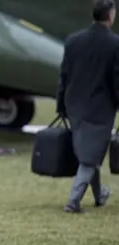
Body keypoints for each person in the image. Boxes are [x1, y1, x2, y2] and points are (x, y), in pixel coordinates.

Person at [57, 0, 118, 213]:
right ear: (110, 16)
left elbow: (63, 76)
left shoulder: (73, 41)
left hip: (74, 104)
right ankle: (73, 201)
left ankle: (100, 195)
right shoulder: (114, 44)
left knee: (91, 152)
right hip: (100, 109)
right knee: (90, 156)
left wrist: (60, 104)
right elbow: (116, 80)